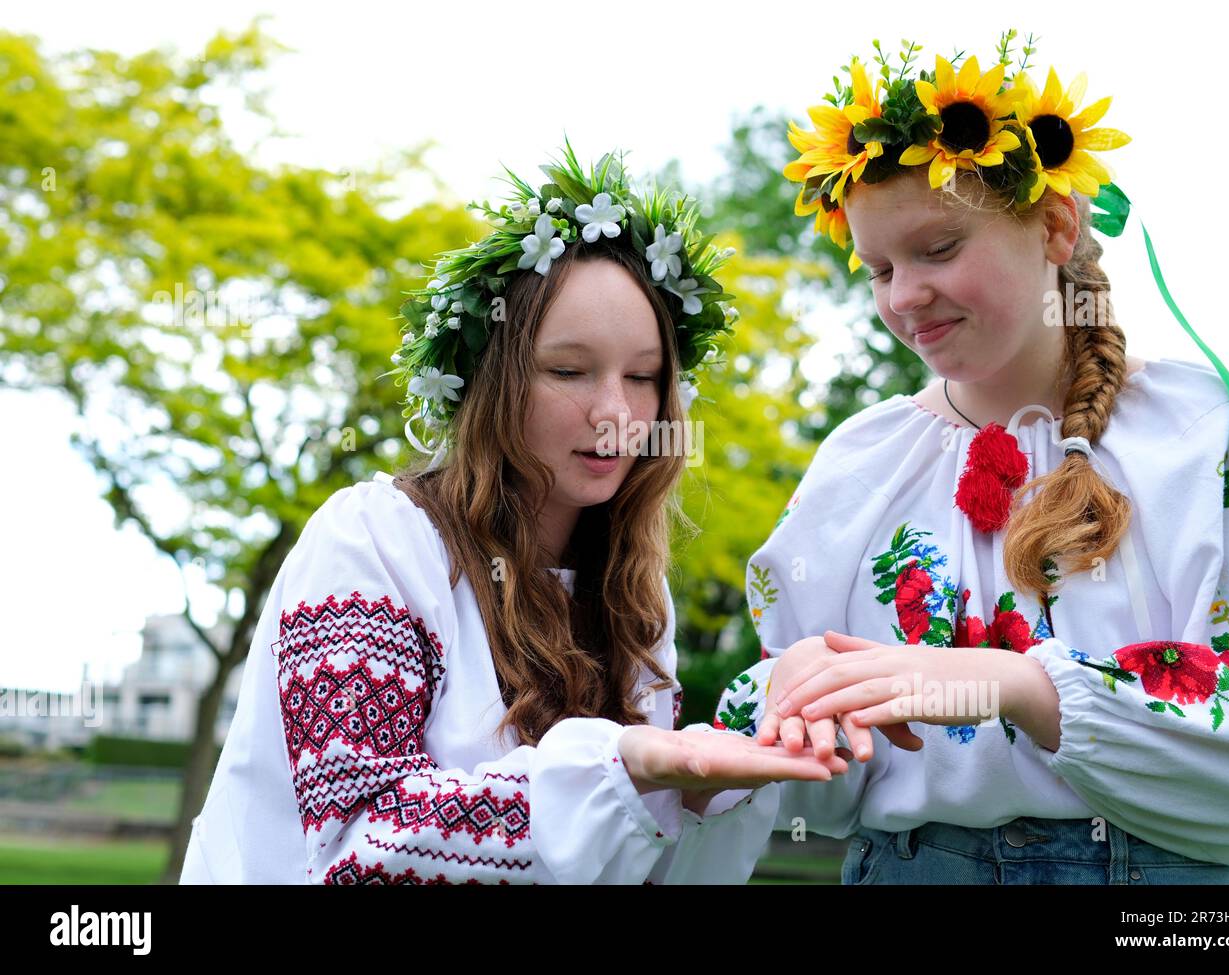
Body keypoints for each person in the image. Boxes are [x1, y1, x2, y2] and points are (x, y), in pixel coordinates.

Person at [714, 36, 1229, 884]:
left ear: (1057, 226)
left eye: (939, 248)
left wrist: (1020, 685)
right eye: (880, 267)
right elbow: (809, 799)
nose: (902, 296)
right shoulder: (859, 465)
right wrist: (794, 702)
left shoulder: (1208, 432)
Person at [179, 143, 847, 885]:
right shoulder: (373, 541)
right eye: (569, 370)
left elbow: (641, 863)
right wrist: (619, 767)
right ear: (493, 381)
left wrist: (731, 753)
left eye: (645, 376)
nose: (616, 412)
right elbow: (355, 847)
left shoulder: (634, 592)